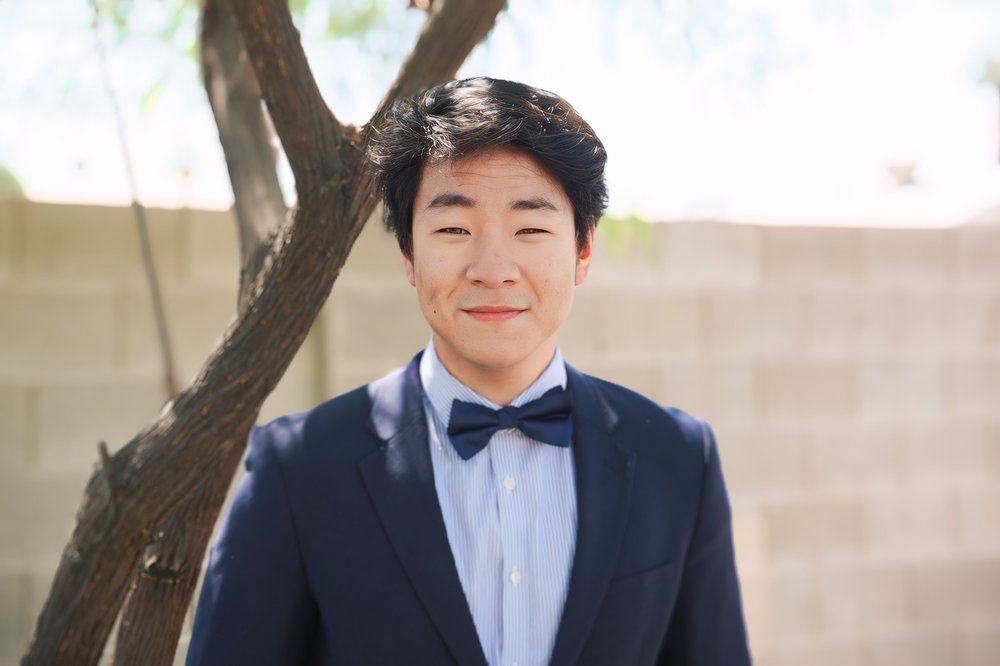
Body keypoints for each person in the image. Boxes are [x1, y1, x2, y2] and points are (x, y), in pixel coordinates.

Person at [186, 77, 751, 666]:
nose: (492, 268)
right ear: (408, 253)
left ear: (583, 249)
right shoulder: (296, 470)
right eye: (454, 229)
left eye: (530, 228)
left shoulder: (678, 459)